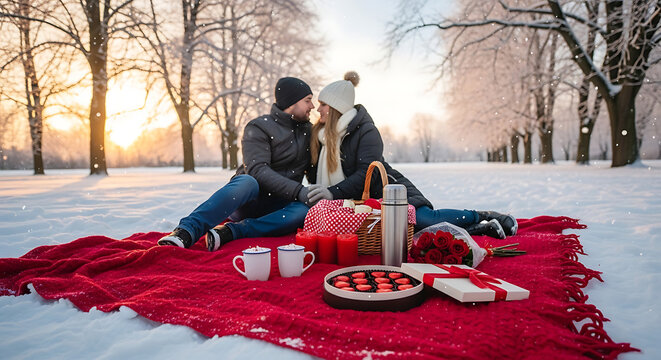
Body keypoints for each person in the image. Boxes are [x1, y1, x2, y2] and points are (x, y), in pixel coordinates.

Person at [305, 72, 517, 239]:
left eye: (323, 104)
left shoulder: (365, 130)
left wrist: (332, 192)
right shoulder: (319, 136)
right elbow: (314, 176)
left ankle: (484, 216)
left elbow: (365, 172)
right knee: (411, 236)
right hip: (354, 203)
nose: (318, 109)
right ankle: (481, 230)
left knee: (424, 221)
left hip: (389, 190)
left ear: (336, 107)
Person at [158, 77, 319, 250]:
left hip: (281, 206)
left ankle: (233, 232)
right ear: (291, 101)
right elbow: (257, 170)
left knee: (306, 210)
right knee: (247, 181)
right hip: (249, 200)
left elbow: (315, 171)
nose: (312, 106)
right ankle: (186, 231)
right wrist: (298, 190)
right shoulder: (259, 126)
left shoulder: (310, 132)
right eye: (308, 100)